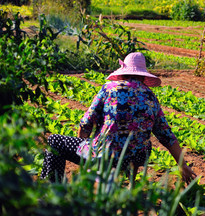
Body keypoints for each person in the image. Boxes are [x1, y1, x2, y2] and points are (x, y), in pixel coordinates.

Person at [41, 52, 196, 183]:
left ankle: (52, 189)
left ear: (123, 72)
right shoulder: (151, 97)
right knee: (146, 145)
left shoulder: (109, 89)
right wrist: (182, 164)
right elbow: (166, 135)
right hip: (132, 157)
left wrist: (85, 153)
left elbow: (85, 124)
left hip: (105, 156)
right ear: (143, 77)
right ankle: (131, 186)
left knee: (54, 141)